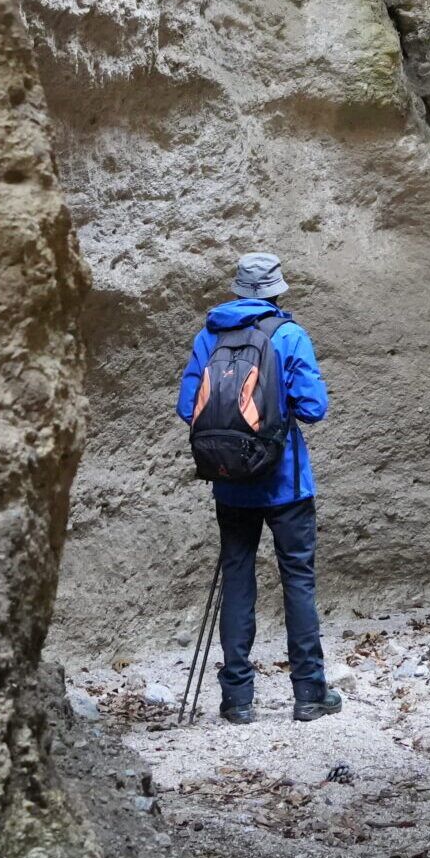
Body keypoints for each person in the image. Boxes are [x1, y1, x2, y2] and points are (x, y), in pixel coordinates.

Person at [176, 252, 341, 723]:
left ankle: (237, 700)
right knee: (298, 582)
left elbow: (188, 406)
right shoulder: (289, 335)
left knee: (238, 581)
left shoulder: (209, 336)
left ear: (239, 290)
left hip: (230, 485)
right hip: (286, 483)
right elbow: (313, 407)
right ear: (275, 291)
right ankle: (309, 693)